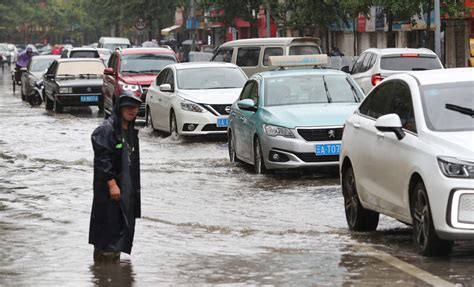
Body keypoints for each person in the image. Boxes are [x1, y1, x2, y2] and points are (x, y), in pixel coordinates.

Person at [89, 91, 142, 262]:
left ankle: (110, 266)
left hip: (126, 188)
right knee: (109, 227)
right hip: (110, 190)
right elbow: (102, 159)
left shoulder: (130, 130)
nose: (131, 111)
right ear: (119, 108)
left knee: (122, 226)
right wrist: (112, 184)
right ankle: (106, 268)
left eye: (134, 107)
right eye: (128, 107)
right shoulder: (108, 128)